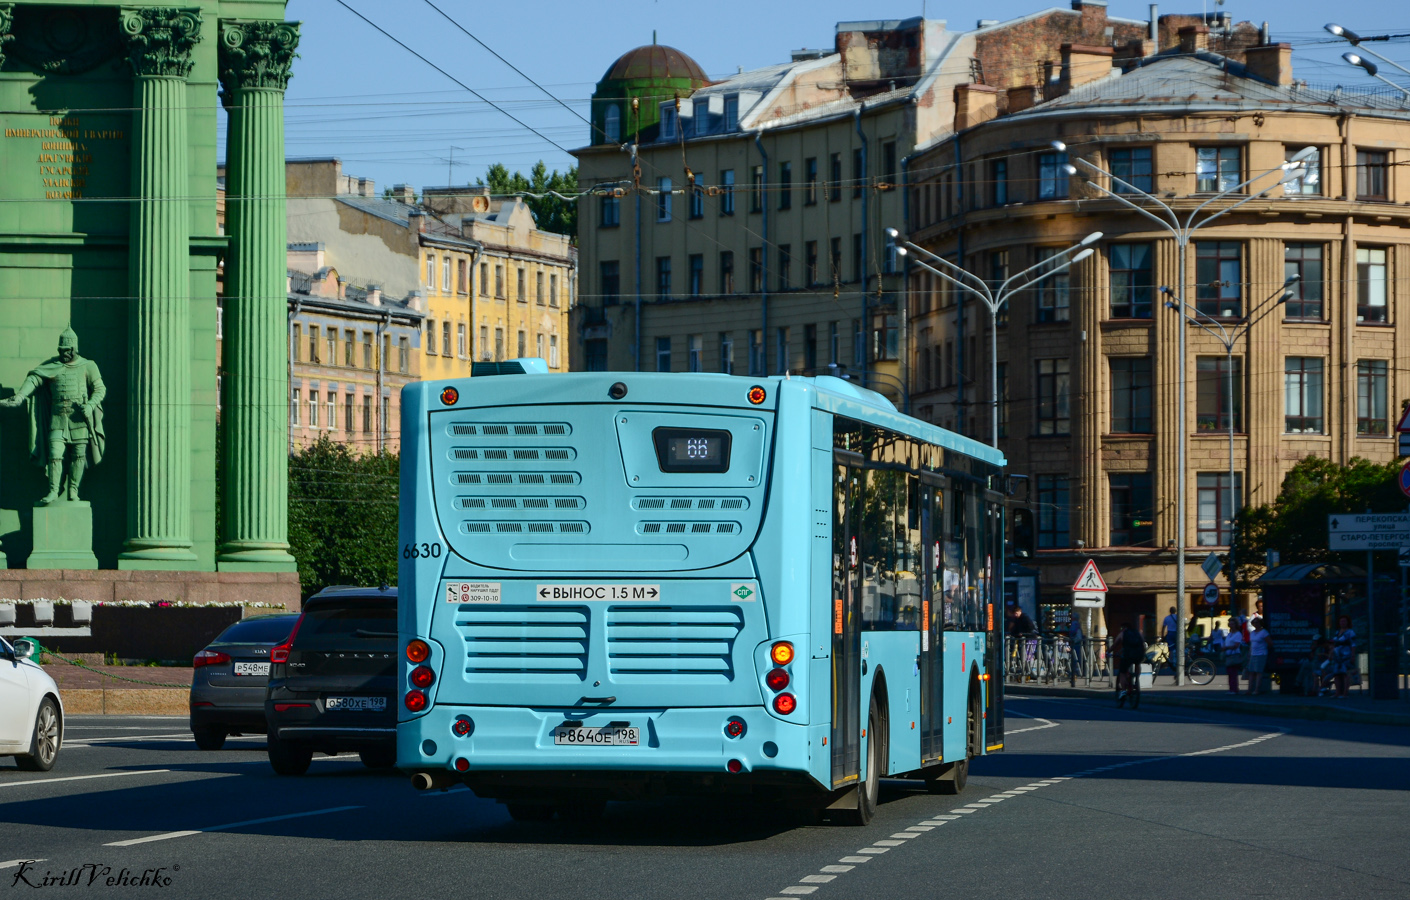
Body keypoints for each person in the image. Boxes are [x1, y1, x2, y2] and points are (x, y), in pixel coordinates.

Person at [1113, 621, 1147, 702]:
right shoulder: (1137, 633)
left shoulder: (1123, 633)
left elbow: (1115, 644)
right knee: (1137, 663)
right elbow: (1143, 643)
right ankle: (1136, 679)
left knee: (1122, 672)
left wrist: (1108, 652)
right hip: (1139, 654)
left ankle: (1123, 691)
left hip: (1128, 655)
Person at [1330, 615, 1357, 699]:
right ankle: (1337, 692)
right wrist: (1331, 653)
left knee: (1345, 674)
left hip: (1346, 655)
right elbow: (1333, 644)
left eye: (1344, 621)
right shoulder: (1337, 632)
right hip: (1337, 656)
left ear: (1347, 622)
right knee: (1337, 674)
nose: (1342, 623)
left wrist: (1353, 655)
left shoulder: (1350, 632)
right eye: (1341, 621)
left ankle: (1345, 693)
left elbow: (1353, 644)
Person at [1246, 618, 1273, 694]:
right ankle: (1249, 689)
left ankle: (1257, 690)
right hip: (1253, 654)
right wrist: (1249, 653)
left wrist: (1263, 648)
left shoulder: (1264, 632)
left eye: (1257, 622)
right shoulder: (1252, 633)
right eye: (1254, 623)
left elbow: (1270, 643)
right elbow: (1251, 644)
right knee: (1251, 672)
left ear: (1260, 623)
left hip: (1261, 654)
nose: (1255, 624)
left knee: (1258, 672)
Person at [1221, 619, 1246, 694]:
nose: (1231, 626)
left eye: (1233, 624)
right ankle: (1231, 688)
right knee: (1229, 673)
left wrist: (1227, 647)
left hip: (1234, 654)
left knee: (1233, 673)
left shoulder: (1238, 634)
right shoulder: (1229, 634)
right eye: (1230, 624)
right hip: (1228, 654)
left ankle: (1235, 689)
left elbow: (1236, 645)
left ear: (1236, 625)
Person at [1161, 605, 1179, 672]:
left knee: (1170, 649)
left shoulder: (1167, 618)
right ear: (1175, 611)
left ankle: (1171, 662)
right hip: (1177, 634)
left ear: (1170, 611)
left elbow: (1163, 627)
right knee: (1178, 648)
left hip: (1170, 633)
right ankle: (1178, 661)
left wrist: (1162, 636)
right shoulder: (1178, 617)